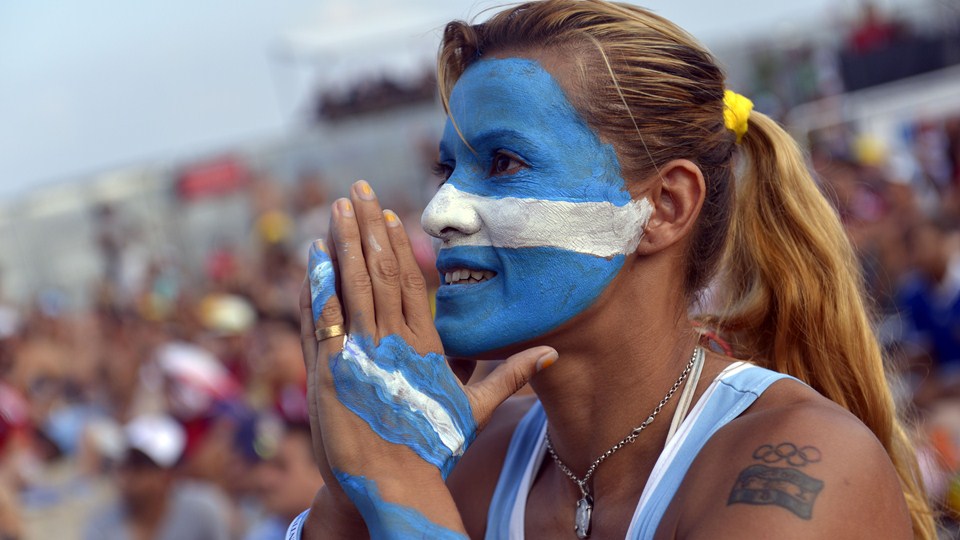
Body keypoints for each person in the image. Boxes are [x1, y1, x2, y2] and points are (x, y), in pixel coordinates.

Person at [292, 1, 936, 538]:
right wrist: (345, 502)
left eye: (505, 163)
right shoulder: (470, 461)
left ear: (664, 206)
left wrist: (400, 491)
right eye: (446, 170)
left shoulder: (803, 464)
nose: (439, 214)